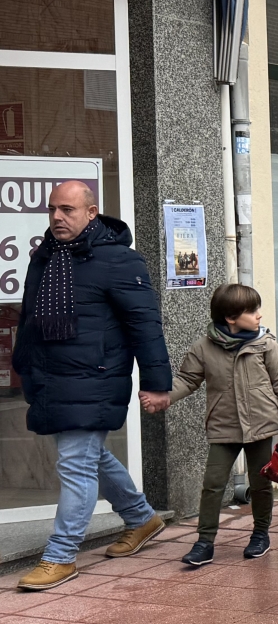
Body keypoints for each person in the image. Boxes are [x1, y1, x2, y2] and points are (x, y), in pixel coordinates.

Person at [13, 181, 173, 592]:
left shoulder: (119, 260)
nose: (57, 217)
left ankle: (60, 556)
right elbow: (30, 318)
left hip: (95, 377)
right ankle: (141, 518)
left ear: (91, 212)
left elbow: (145, 325)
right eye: (52, 209)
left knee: (75, 464)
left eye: (67, 209)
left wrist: (157, 384)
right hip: (51, 378)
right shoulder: (46, 256)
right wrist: (23, 366)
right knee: (88, 457)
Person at [168, 283, 278, 567]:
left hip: (261, 425)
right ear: (231, 318)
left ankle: (260, 534)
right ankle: (204, 542)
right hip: (224, 427)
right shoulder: (204, 347)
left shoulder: (266, 345)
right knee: (213, 484)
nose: (259, 315)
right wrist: (163, 398)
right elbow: (187, 380)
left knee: (261, 483)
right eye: (252, 311)